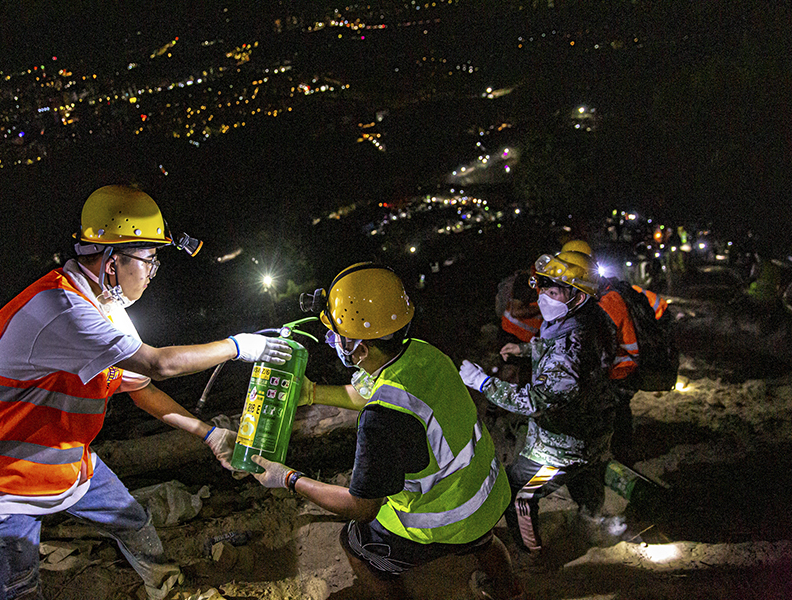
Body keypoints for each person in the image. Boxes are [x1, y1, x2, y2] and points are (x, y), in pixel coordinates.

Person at [0, 185, 292, 600]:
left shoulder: (106, 309)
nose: (151, 273)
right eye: (148, 261)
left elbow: (142, 389)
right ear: (112, 262)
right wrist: (238, 347)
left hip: (67, 463)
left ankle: (167, 588)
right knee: (17, 591)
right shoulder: (61, 310)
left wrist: (209, 435)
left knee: (134, 521)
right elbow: (159, 364)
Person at [249, 263, 522, 600]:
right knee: (484, 540)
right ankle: (509, 591)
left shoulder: (382, 420)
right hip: (488, 493)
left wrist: (288, 477)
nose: (332, 339)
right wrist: (313, 392)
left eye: (338, 335)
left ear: (360, 349)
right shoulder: (425, 353)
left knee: (355, 544)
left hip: (448, 520)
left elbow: (361, 507)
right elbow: (376, 393)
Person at [460, 250, 616, 559]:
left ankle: (533, 556)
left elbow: (534, 401)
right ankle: (589, 520)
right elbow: (574, 354)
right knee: (589, 477)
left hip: (563, 445)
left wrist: (482, 382)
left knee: (516, 492)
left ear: (578, 296)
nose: (544, 295)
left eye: (554, 289)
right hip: (596, 426)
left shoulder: (567, 348)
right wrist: (526, 350)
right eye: (542, 286)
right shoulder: (595, 320)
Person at [562, 239, 640, 463]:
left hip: (620, 367)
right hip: (613, 366)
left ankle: (622, 457)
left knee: (616, 410)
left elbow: (602, 345)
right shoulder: (590, 293)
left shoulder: (606, 300)